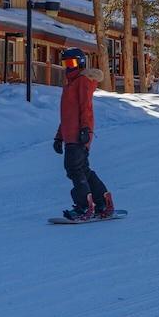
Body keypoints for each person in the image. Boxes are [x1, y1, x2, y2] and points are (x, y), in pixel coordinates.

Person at [53, 48, 114, 220]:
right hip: (70, 136)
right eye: (65, 63)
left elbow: (85, 108)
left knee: (74, 169)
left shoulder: (82, 81)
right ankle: (103, 202)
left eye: (71, 63)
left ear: (80, 63)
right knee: (81, 169)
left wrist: (86, 130)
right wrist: (59, 137)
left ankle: (84, 207)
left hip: (79, 135)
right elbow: (67, 115)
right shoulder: (69, 85)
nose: (68, 67)